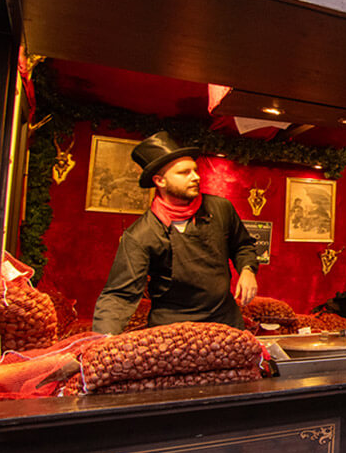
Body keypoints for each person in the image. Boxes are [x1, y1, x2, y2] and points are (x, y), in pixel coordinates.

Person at [93, 132, 259, 334]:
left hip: (225, 322)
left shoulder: (220, 208)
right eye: (184, 173)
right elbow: (119, 295)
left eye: (195, 170)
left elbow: (243, 245)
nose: (196, 177)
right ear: (160, 181)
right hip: (172, 330)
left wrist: (248, 269)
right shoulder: (141, 235)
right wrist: (104, 339)